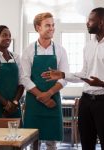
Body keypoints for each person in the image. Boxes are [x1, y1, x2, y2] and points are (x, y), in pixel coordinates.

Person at [41, 7, 104, 150]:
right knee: (86, 143)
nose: (87, 23)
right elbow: (84, 74)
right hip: (86, 101)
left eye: (90, 20)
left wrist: (102, 84)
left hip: (103, 101)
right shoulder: (88, 45)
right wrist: (63, 75)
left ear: (101, 22)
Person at [21, 12, 69, 150]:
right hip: (33, 101)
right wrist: (41, 96)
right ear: (38, 27)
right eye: (47, 25)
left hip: (53, 99)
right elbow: (24, 78)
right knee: (32, 141)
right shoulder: (29, 50)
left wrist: (48, 94)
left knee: (52, 142)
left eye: (53, 25)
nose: (51, 28)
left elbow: (64, 77)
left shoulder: (60, 50)